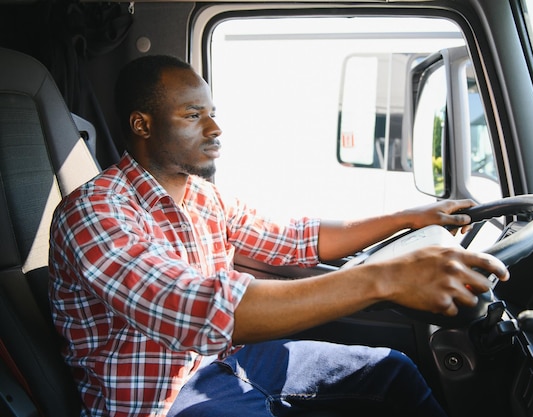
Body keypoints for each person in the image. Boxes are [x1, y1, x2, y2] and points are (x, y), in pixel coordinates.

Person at [48, 54, 509, 417]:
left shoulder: (204, 197)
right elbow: (198, 308)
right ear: (142, 125)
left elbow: (296, 239)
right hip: (160, 400)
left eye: (212, 112)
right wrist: (384, 279)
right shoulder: (93, 212)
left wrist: (407, 217)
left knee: (392, 371)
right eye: (193, 115)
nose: (215, 128)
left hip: (231, 362)